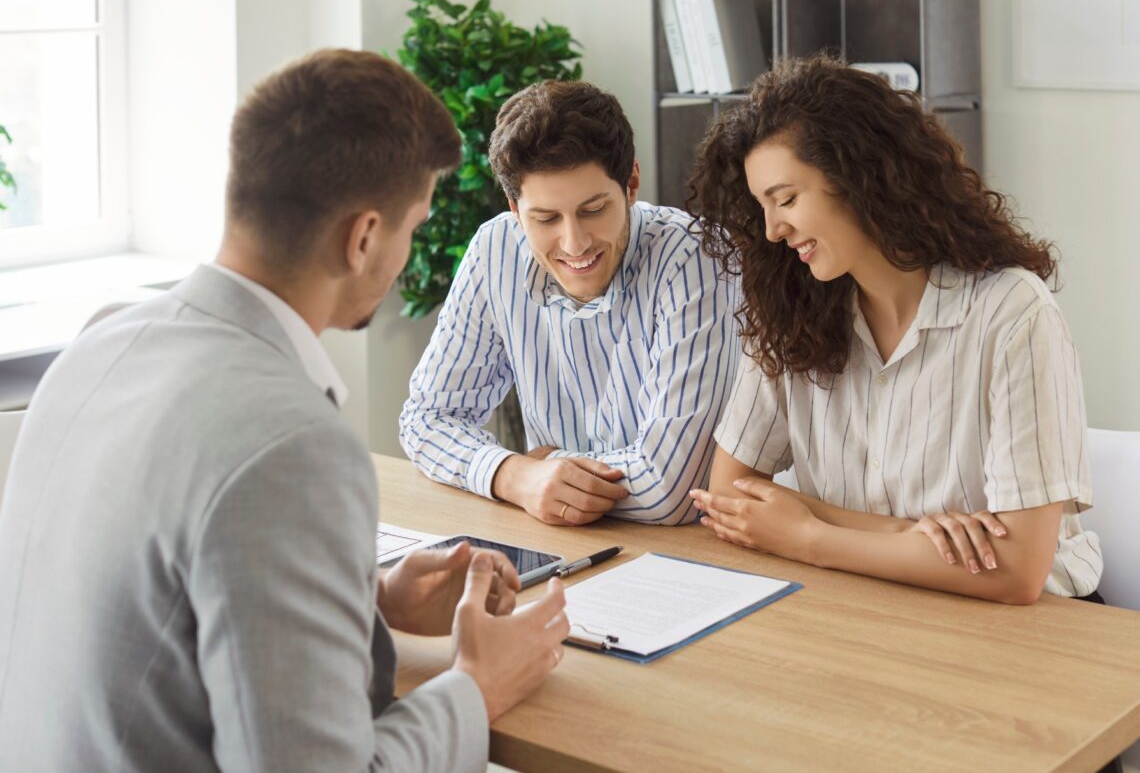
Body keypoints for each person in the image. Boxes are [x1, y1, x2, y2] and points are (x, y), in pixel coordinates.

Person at [0, 49, 569, 772]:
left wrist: (367, 599)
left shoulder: (102, 340)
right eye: (413, 227)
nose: (406, 253)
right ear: (363, 237)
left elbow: (152, 595)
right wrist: (476, 688)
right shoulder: (291, 445)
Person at [686, 54, 1102, 605]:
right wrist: (904, 534)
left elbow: (1019, 570)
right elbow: (729, 497)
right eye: (763, 206)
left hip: (1035, 628)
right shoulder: (790, 312)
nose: (773, 229)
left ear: (860, 177)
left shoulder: (1012, 313)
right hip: (872, 607)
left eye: (786, 199)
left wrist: (809, 535)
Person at [399, 81, 739, 527]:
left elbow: (668, 490)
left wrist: (550, 466)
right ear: (515, 209)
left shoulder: (695, 257)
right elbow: (425, 420)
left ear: (631, 183)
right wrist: (516, 475)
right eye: (545, 218)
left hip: (692, 557)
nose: (574, 243)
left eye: (594, 209)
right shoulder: (495, 248)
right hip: (561, 541)